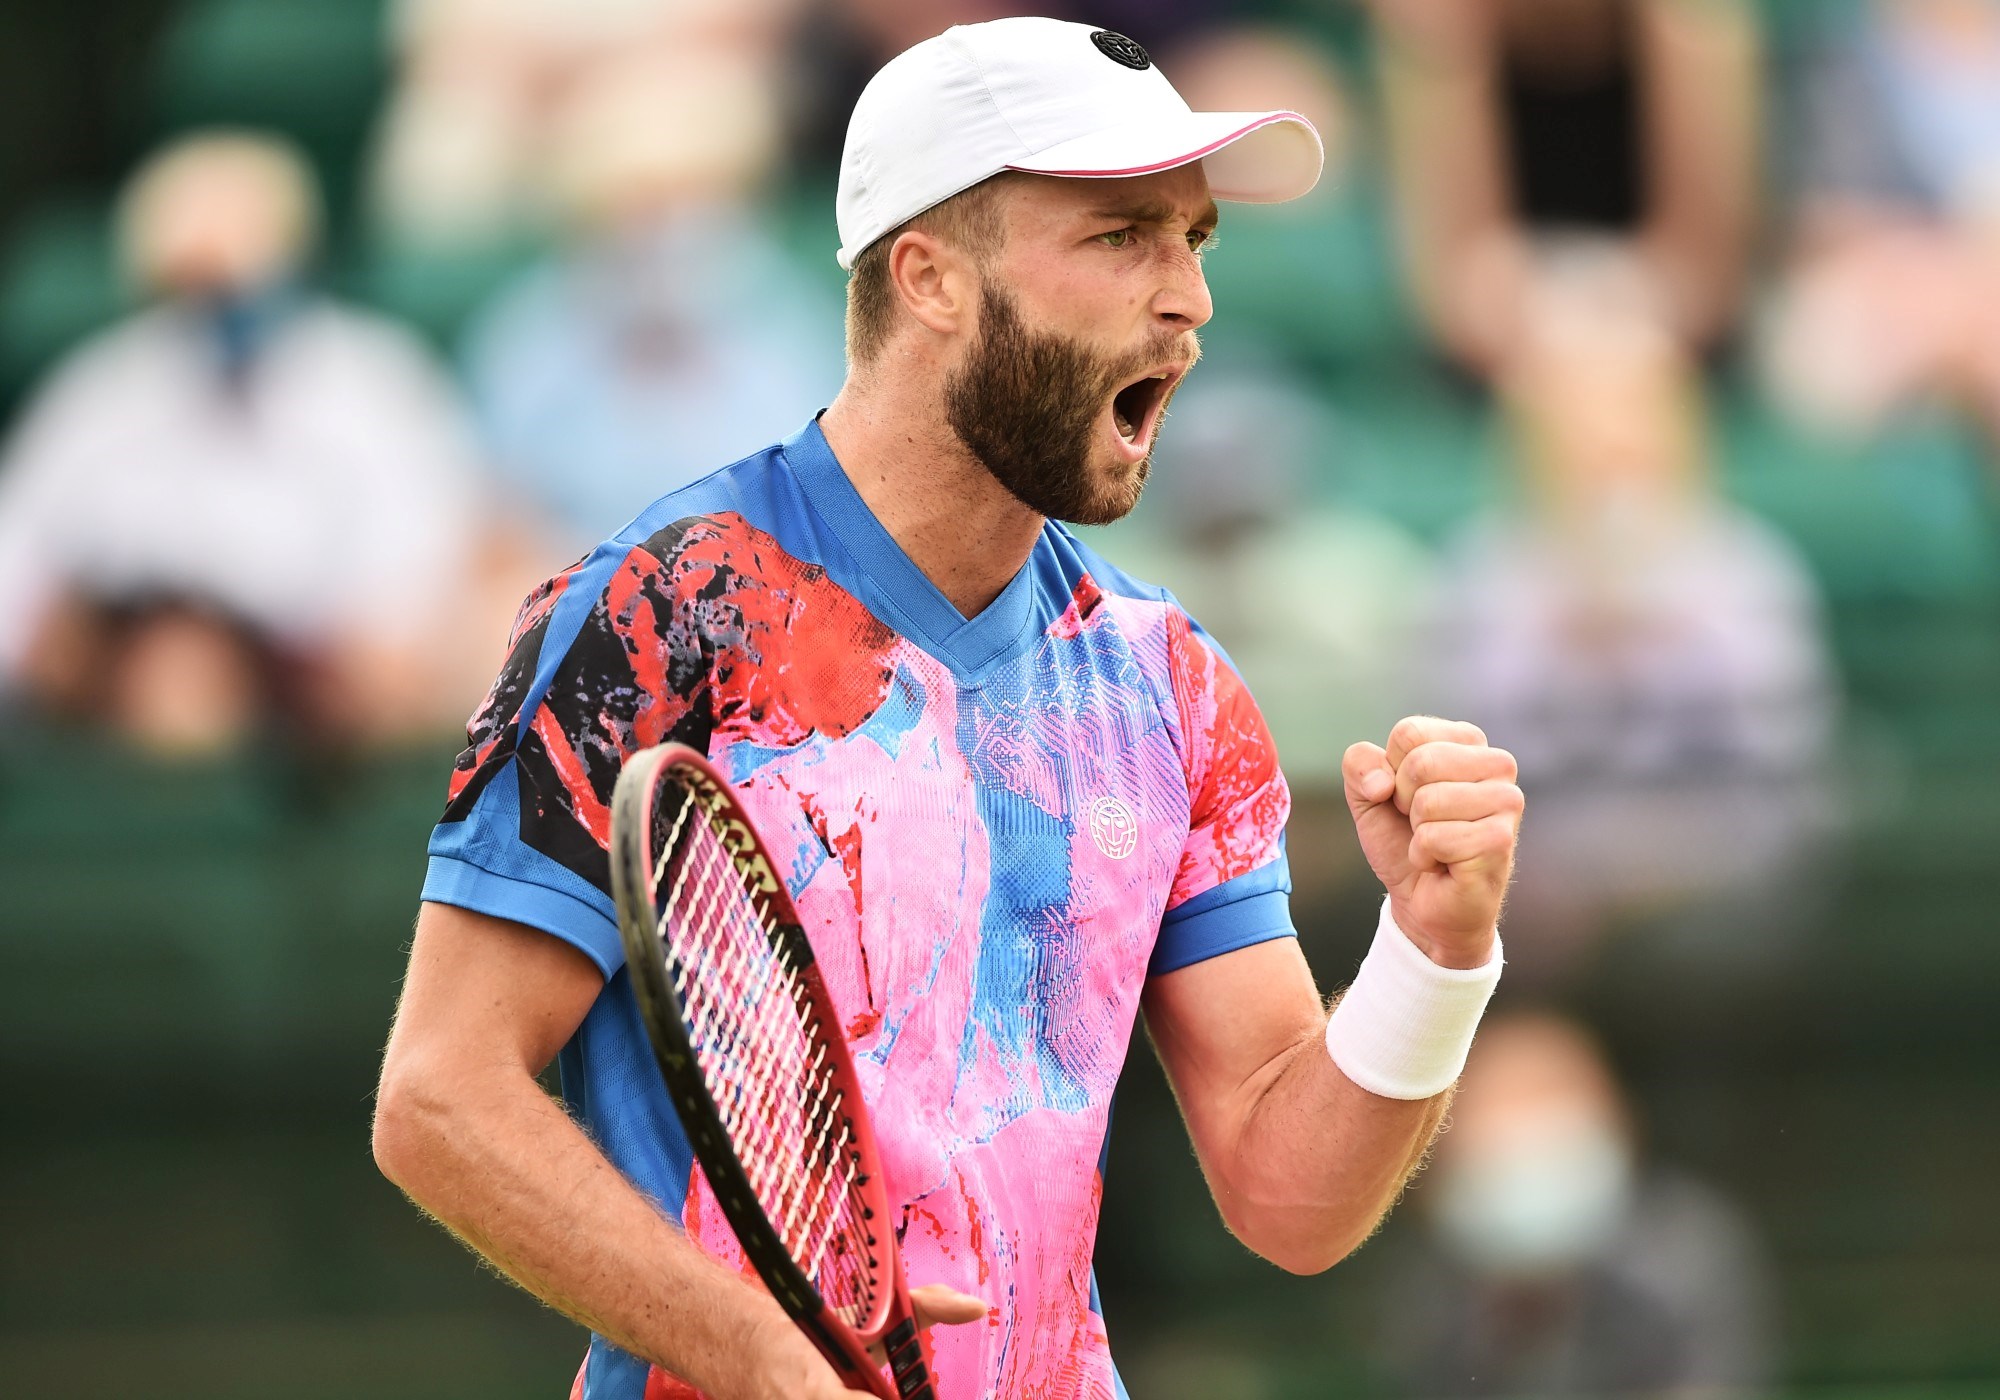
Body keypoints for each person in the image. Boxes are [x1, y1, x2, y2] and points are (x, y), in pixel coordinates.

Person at [372, 19, 1525, 1399]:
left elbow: (1291, 1199)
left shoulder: (1171, 681)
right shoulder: (661, 613)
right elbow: (441, 1102)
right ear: (929, 278)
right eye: (1120, 239)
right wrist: (762, 1357)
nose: (1189, 301)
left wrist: (1435, 955)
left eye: (1195, 242)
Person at [0, 131, 496, 753]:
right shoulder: (100, 394)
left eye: (236, 276)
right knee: (181, 676)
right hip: (139, 680)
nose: (218, 303)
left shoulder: (372, 381)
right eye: (195, 280)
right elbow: (18, 577)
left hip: (329, 683)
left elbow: (420, 571)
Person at [1376, 1012, 1775, 1398]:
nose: (1530, 1175)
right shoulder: (1428, 1291)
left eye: (1551, 1147)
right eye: (1503, 1152)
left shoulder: (1689, 1253)